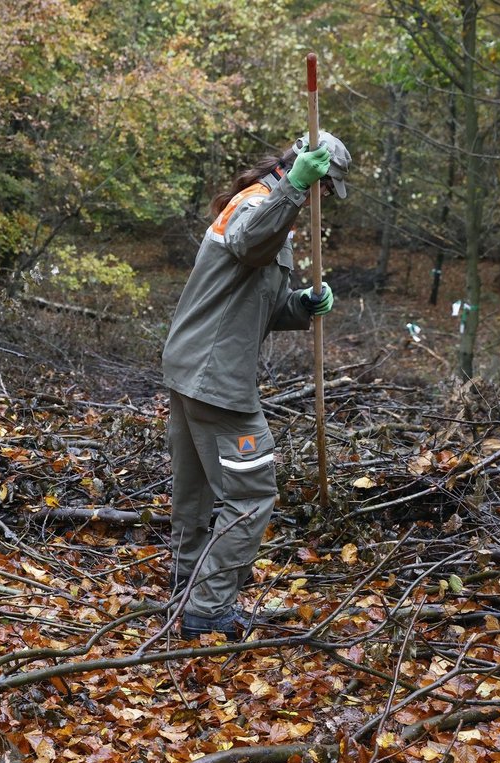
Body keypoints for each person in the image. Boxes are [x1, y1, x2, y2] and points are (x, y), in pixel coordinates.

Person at [161, 132, 350, 641]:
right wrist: (294, 188)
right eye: (323, 186)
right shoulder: (262, 203)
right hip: (214, 377)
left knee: (196, 492)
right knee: (252, 494)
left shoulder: (271, 212)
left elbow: (249, 305)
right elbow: (248, 245)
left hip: (193, 367)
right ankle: (207, 608)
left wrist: (300, 307)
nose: (322, 198)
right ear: (305, 170)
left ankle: (186, 589)